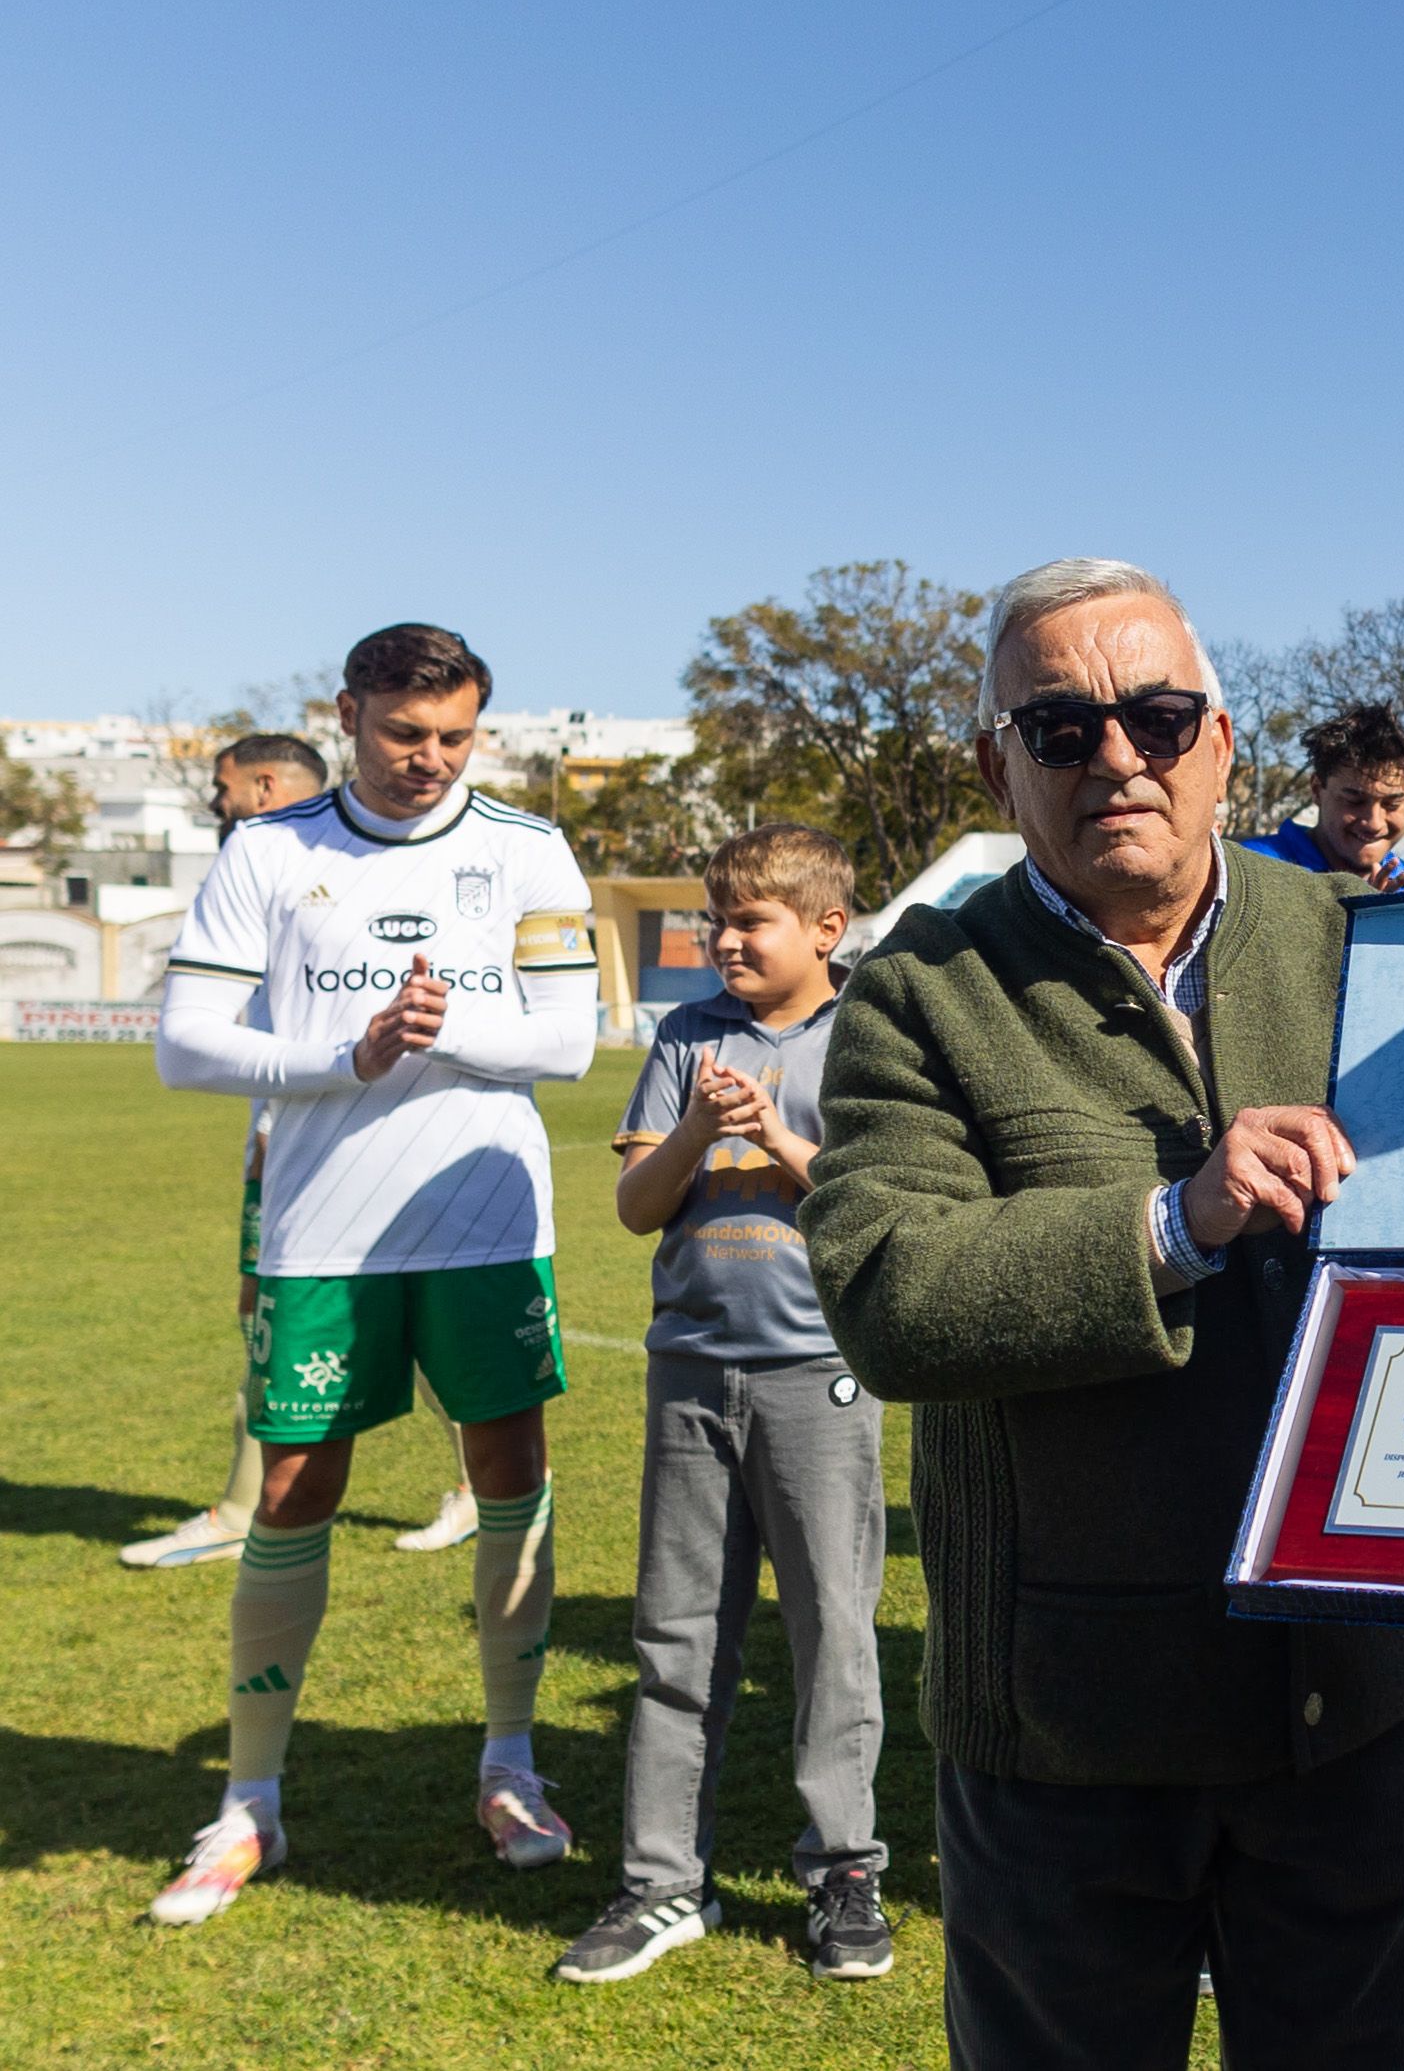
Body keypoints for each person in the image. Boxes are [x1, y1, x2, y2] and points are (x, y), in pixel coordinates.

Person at [799, 559, 1404, 2071]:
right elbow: (892, 1295)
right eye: (1059, 730)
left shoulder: (1373, 945)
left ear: (1221, 739)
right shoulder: (917, 991)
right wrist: (1175, 1219)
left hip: (1343, 1705)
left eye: (1156, 718)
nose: (1117, 761)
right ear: (993, 764)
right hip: (1065, 1730)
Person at [146, 625, 599, 1925]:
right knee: (295, 1483)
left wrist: (448, 1026)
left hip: (482, 1219)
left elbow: (568, 1041)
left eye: (455, 736)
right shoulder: (269, 850)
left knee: (509, 1464)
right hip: (322, 1231)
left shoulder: (525, 849)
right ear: (346, 714)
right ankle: (249, 1804)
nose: (430, 760)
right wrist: (343, 1054)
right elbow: (185, 1044)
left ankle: (510, 1764)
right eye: (406, 735)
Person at [552, 824, 891, 1987]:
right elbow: (638, 1206)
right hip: (690, 1369)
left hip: (818, 1374)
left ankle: (844, 1870)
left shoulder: (868, 1036)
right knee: (676, 1635)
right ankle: (659, 1885)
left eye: (752, 920)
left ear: (825, 930)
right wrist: (699, 1124)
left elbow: (876, 1204)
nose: (725, 938)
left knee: (833, 1634)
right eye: (718, 917)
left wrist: (777, 1136)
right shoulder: (685, 1033)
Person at [123, 733, 333, 1572]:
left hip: (297, 1132)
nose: (216, 802)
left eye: (222, 787)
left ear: (264, 786)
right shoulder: (282, 868)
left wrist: (271, 1128)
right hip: (287, 1122)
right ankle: (480, 1481)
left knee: (271, 1311)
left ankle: (242, 1509)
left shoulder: (288, 870)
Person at [1240, 701, 1404, 885]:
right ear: (1316, 790)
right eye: (1354, 801)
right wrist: (1366, 912)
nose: (1374, 823)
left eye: (1392, 805)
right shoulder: (1253, 871)